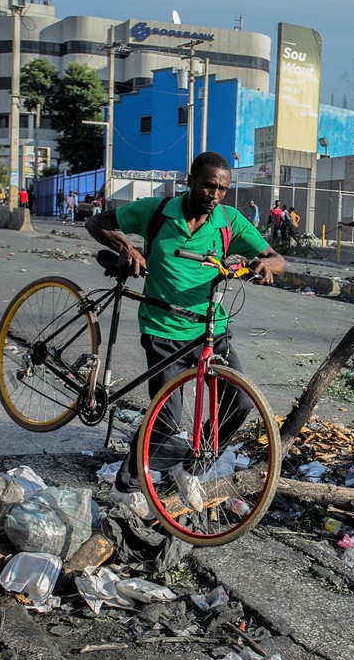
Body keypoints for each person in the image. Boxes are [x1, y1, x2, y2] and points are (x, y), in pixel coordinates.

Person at [85, 151, 285, 497]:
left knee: (239, 403)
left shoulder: (228, 221)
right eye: (208, 186)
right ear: (190, 180)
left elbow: (276, 258)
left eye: (222, 188)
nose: (215, 195)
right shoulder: (157, 211)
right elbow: (96, 223)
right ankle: (125, 483)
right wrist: (126, 247)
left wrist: (266, 266)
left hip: (210, 329)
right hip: (163, 328)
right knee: (165, 418)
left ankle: (189, 468)